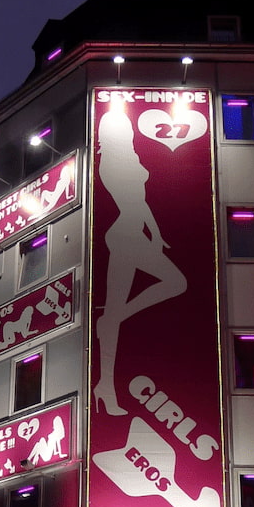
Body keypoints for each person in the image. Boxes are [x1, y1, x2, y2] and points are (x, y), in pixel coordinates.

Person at [93, 102, 188, 416]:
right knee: (176, 281)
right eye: (124, 127)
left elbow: (142, 202)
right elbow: (134, 203)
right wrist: (150, 233)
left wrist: (156, 234)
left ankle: (105, 385)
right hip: (125, 236)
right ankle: (113, 326)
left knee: (172, 284)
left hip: (132, 235)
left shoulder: (125, 159)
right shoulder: (111, 164)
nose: (129, 131)